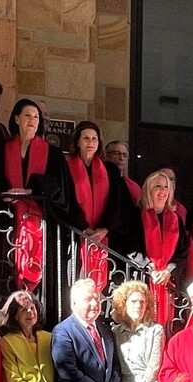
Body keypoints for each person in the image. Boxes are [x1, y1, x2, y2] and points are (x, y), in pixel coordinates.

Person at [0, 98, 75, 297]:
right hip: (8, 222)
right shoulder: (2, 150)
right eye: (27, 115)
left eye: (36, 117)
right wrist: (5, 193)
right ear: (17, 119)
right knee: (8, 265)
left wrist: (31, 191)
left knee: (43, 271)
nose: (32, 120)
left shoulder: (53, 154)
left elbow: (60, 190)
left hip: (42, 223)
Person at [67, 121, 132, 292]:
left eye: (94, 139)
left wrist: (105, 228)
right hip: (75, 234)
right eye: (86, 138)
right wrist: (83, 227)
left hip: (103, 235)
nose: (90, 143)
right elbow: (67, 201)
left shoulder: (109, 169)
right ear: (78, 141)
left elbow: (117, 202)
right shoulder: (66, 167)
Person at [131, 170, 188, 333]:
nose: (162, 191)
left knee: (169, 328)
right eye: (158, 186)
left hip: (169, 282)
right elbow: (131, 248)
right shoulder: (136, 216)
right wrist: (151, 269)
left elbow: (183, 251)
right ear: (148, 190)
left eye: (166, 187)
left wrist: (168, 271)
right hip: (144, 279)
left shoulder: (176, 219)